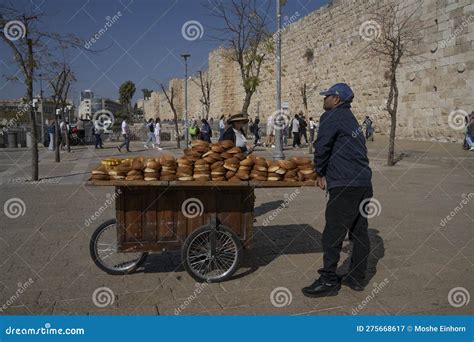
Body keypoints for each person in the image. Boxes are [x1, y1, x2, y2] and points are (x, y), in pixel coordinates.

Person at [302, 83, 373, 298]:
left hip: (345, 183)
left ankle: (328, 280)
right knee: (359, 232)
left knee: (332, 233)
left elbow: (322, 146)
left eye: (328, 96)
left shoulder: (331, 117)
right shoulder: (350, 119)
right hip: (363, 182)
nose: (324, 99)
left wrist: (319, 172)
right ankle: (357, 278)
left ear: (337, 99)